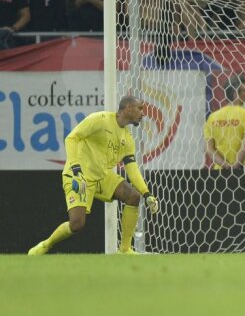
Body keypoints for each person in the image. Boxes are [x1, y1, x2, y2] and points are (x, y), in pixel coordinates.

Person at [28, 96, 160, 255]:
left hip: (102, 176)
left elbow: (131, 168)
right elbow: (72, 138)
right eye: (140, 108)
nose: (143, 113)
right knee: (77, 224)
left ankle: (125, 249)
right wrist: (76, 169)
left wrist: (146, 193)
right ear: (128, 107)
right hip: (79, 176)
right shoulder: (100, 120)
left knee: (133, 197)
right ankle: (46, 245)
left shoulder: (128, 138)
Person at [204, 75, 245, 170]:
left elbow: (209, 149)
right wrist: (236, 165)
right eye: (244, 90)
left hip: (220, 171)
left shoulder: (212, 117)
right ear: (235, 93)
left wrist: (225, 165)